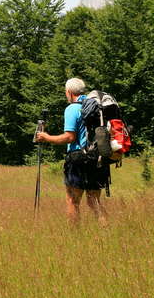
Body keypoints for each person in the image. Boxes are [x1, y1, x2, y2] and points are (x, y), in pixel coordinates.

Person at [35, 78, 108, 225]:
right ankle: (106, 230)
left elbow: (69, 137)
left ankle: (74, 235)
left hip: (78, 158)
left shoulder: (72, 109)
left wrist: (46, 137)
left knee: (72, 201)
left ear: (69, 92)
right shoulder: (96, 106)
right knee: (94, 201)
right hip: (97, 157)